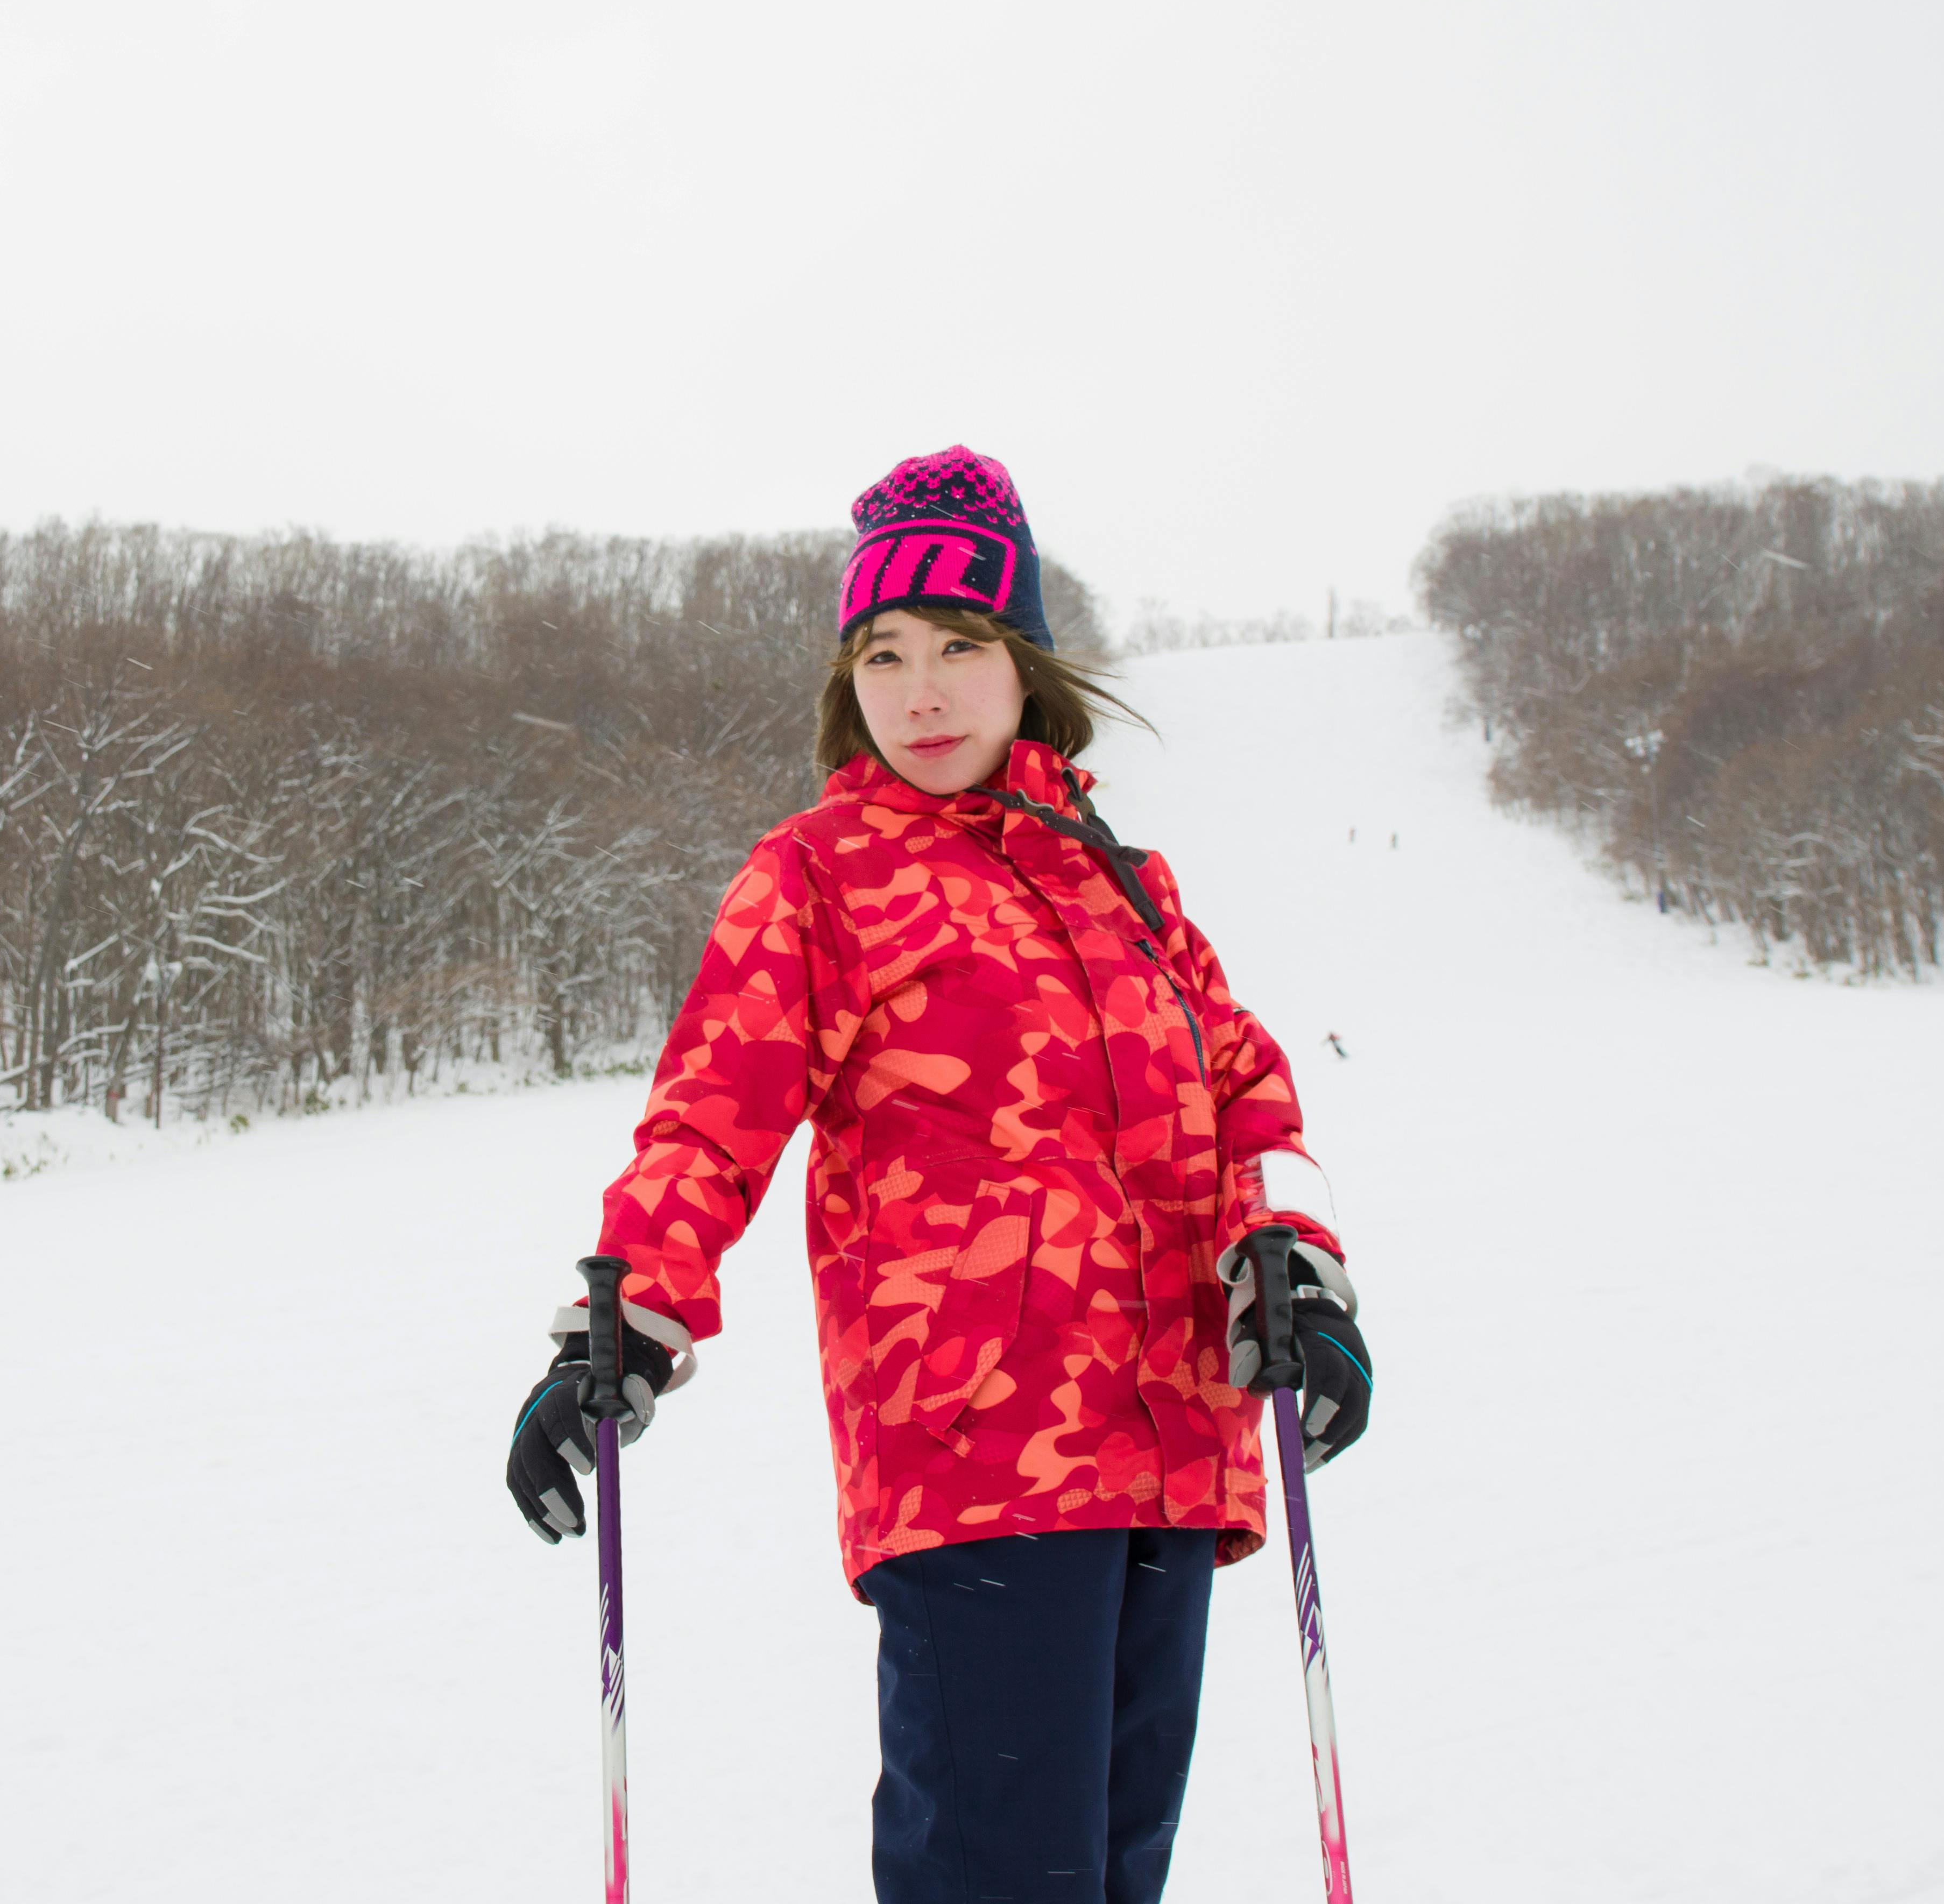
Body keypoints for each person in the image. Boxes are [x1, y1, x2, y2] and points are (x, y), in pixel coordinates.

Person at [505, 447, 1374, 1904]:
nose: (921, 693)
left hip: (1173, 1448)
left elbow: (1242, 1088)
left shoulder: (1122, 879)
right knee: (997, 1874)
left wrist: (1294, 1262)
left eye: (961, 649)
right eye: (885, 654)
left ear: (1024, 664)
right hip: (980, 1458)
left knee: (1113, 1872)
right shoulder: (821, 876)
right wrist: (623, 1324)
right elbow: (711, 1118)